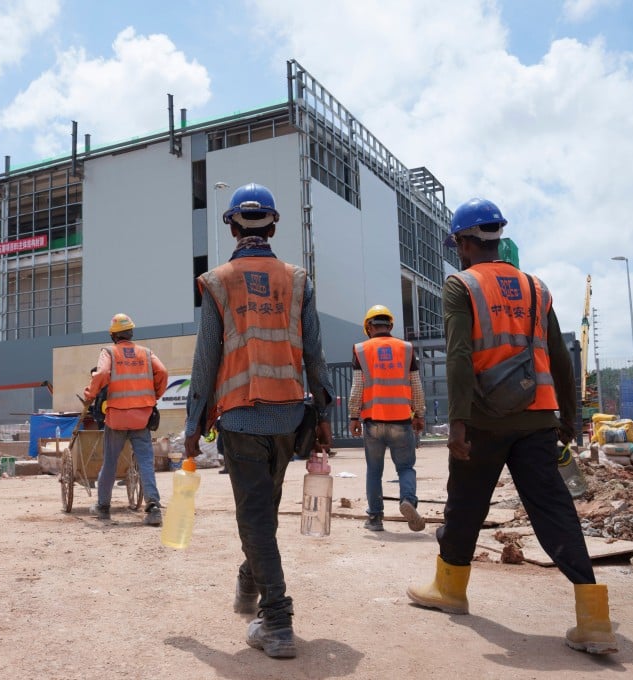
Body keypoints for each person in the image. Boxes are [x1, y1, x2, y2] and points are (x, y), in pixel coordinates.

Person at [406, 198, 618, 655]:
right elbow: (560, 357)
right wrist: (568, 416)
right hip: (538, 417)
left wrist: (458, 423)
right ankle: (594, 618)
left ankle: (450, 589)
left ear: (464, 242)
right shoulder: (536, 288)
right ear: (497, 239)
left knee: (466, 504)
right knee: (553, 509)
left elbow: (460, 356)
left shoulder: (460, 284)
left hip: (484, 420)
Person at [184, 183, 334, 659]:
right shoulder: (298, 279)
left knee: (255, 517)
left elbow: (206, 359)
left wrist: (192, 425)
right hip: (290, 417)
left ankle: (277, 620)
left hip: (241, 419)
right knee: (262, 513)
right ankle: (249, 586)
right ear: (273, 225)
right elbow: (315, 352)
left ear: (231, 225)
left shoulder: (218, 281)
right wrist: (324, 415)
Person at [84, 313, 168, 526]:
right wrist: (153, 397)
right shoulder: (146, 353)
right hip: (142, 416)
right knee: (146, 462)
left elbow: (102, 373)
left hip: (117, 417)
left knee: (110, 462)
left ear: (113, 336)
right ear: (131, 333)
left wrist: (90, 394)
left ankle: (103, 507)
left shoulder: (109, 352)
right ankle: (154, 508)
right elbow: (163, 372)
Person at [348, 305, 426, 532]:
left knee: (374, 470)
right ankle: (408, 501)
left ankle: (375, 518)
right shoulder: (407, 348)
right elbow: (416, 386)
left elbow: (357, 388)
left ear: (368, 327)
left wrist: (354, 416)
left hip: (373, 421)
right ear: (390, 326)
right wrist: (419, 414)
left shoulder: (361, 349)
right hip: (401, 420)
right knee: (405, 467)